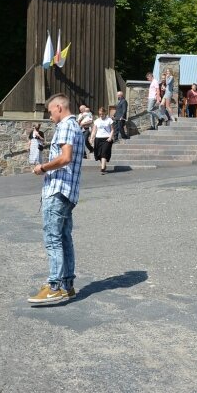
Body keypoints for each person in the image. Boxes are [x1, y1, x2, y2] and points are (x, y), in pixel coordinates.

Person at [29, 93, 83, 304]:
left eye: (51, 111)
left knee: (53, 238)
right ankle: (67, 285)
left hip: (58, 190)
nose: (50, 116)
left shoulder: (66, 126)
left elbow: (65, 157)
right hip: (68, 191)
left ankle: (54, 286)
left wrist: (42, 167)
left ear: (59, 108)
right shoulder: (75, 126)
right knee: (64, 237)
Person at [90, 106, 114, 174]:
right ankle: (104, 165)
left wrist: (110, 137)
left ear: (105, 113)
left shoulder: (109, 120)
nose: (101, 115)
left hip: (106, 139)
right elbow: (94, 131)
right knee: (99, 154)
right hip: (98, 139)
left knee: (104, 152)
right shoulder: (97, 121)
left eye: (102, 114)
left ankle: (102, 168)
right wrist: (92, 138)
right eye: (100, 114)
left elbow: (112, 130)